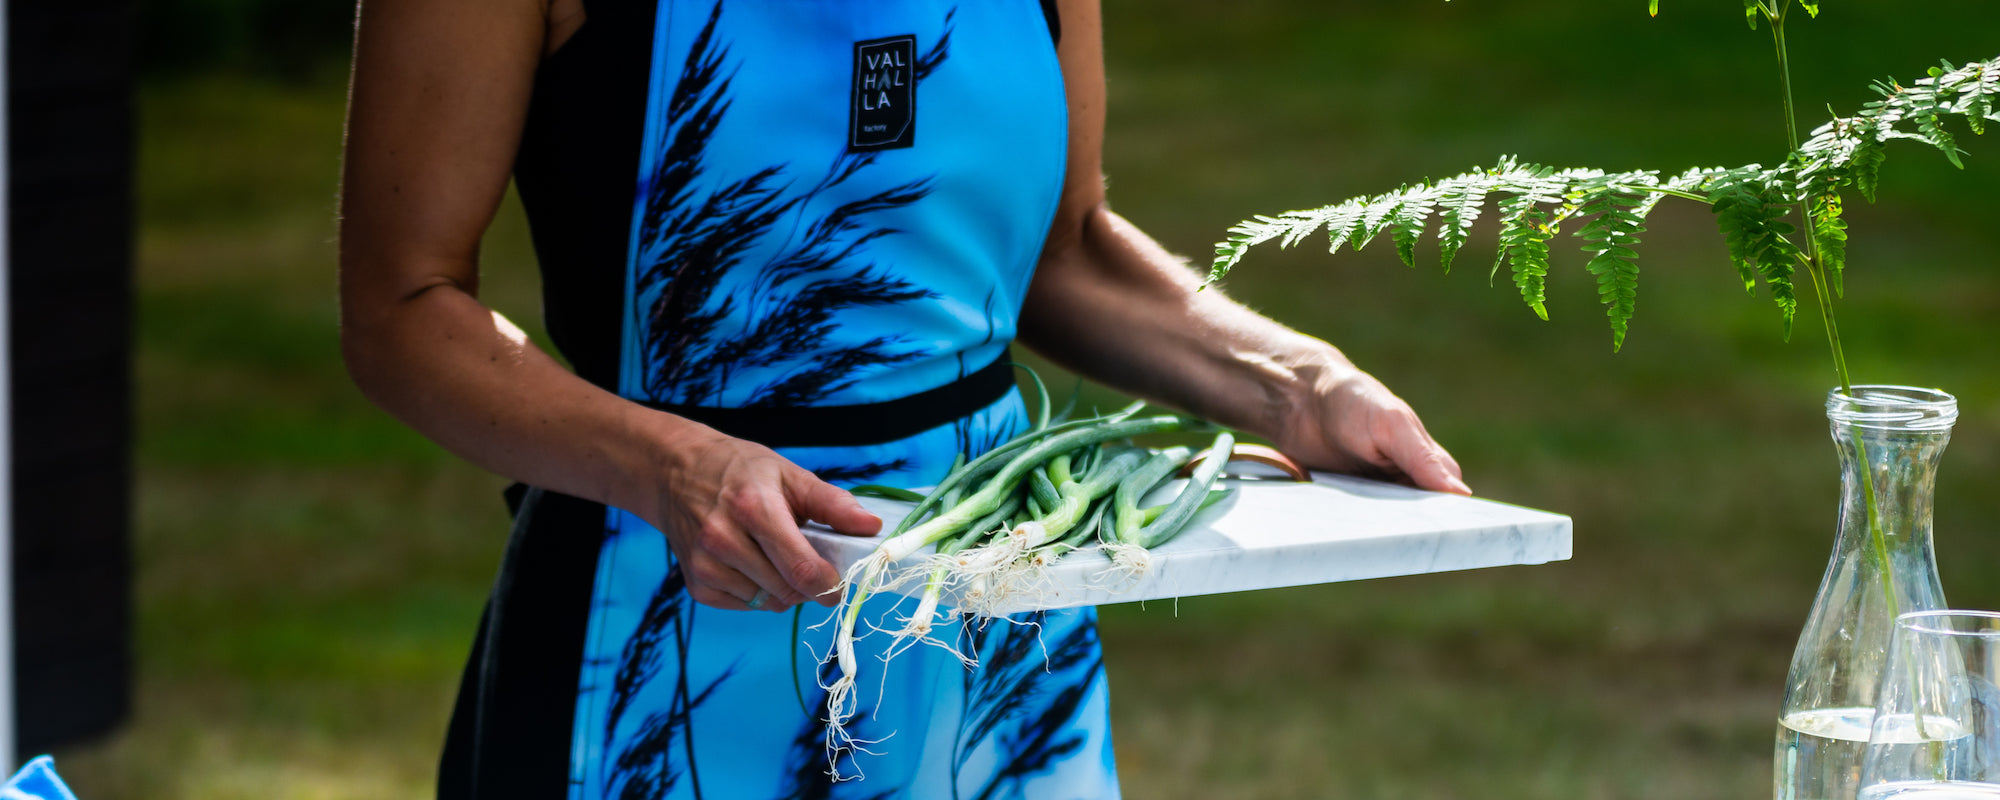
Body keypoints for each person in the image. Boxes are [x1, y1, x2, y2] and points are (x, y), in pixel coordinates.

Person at [339, 0, 1471, 797]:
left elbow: (1060, 248)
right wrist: (667, 466)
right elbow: (401, 305)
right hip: (664, 629)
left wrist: (1298, 385)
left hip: (996, 624)